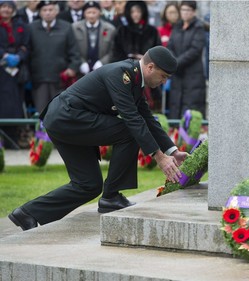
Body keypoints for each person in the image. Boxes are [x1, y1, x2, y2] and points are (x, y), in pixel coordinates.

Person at [8, 46, 188, 231]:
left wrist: (172, 151)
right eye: (163, 76)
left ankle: (28, 213)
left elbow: (148, 119)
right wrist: (159, 157)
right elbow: (132, 119)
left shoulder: (134, 81)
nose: (163, 82)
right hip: (67, 118)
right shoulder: (121, 74)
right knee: (129, 131)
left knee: (89, 185)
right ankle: (111, 197)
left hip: (65, 121)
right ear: (150, 67)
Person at [29, 1, 81, 113]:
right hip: (39, 78)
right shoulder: (32, 28)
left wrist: (72, 68)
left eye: (50, 10)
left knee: (60, 111)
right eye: (44, 10)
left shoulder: (66, 27)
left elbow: (74, 52)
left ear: (56, 11)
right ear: (40, 12)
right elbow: (28, 51)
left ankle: (61, 131)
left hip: (60, 78)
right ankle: (41, 131)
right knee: (41, 112)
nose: (48, 13)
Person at [112, 0, 162, 111]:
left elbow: (158, 52)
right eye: (132, 11)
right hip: (126, 74)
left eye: (138, 11)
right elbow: (116, 54)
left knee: (149, 108)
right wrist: (130, 61)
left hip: (149, 73)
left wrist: (145, 59)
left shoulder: (152, 31)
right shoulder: (122, 31)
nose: (135, 14)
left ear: (143, 12)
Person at [167, 1, 206, 119]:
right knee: (175, 107)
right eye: (183, 10)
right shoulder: (177, 26)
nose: (185, 13)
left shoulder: (198, 27)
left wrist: (176, 63)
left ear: (194, 12)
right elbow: (170, 47)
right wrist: (173, 61)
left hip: (193, 76)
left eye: (188, 10)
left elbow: (195, 50)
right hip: (178, 75)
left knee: (190, 109)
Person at [0, 0, 30, 148]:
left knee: (14, 105)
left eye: (9, 7)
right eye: (3, 6)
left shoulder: (20, 25)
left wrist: (19, 56)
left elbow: (26, 45)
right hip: (1, 70)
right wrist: (4, 55)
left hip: (16, 73)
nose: (6, 10)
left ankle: (12, 139)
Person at [72, 1, 116, 76]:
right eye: (88, 12)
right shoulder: (75, 28)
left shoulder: (110, 29)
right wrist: (82, 62)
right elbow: (72, 48)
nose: (91, 16)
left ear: (99, 12)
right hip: (81, 70)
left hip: (103, 69)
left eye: (94, 12)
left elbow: (113, 49)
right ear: (84, 13)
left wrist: (102, 62)